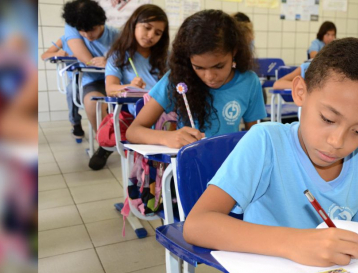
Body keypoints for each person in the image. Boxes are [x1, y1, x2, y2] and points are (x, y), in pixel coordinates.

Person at [182, 38, 358, 267]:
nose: (337, 142)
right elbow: (196, 225)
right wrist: (295, 243)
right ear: (300, 92)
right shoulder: (266, 143)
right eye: (328, 119)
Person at [126, 10, 266, 148]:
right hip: (190, 163)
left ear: (234, 51)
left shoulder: (249, 82)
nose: (210, 77)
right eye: (199, 67)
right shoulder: (177, 80)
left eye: (219, 66)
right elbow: (133, 131)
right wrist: (167, 137)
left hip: (229, 163)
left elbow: (254, 135)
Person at [62, 0, 121, 166]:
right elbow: (86, 60)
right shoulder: (73, 27)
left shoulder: (117, 36)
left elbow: (124, 62)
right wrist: (104, 62)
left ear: (101, 22)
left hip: (116, 80)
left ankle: (121, 141)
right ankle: (104, 144)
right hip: (93, 80)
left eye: (92, 30)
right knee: (92, 103)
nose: (87, 35)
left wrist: (109, 62)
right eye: (82, 32)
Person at [103, 4, 169, 118]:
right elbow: (110, 89)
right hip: (139, 112)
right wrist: (130, 87)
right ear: (134, 24)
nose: (150, 35)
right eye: (147, 28)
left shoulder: (166, 56)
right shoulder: (118, 55)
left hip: (166, 109)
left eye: (157, 33)